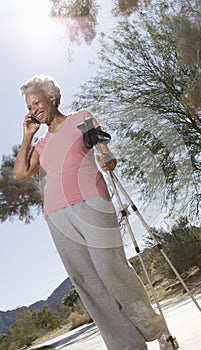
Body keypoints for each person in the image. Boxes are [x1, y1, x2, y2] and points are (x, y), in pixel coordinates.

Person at [13, 75, 173, 350]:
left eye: (37, 102)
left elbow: (104, 152)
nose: (34, 110)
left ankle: (155, 328)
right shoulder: (41, 143)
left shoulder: (81, 119)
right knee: (88, 282)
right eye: (29, 107)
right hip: (57, 216)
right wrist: (28, 136)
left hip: (93, 202)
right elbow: (20, 173)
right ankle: (127, 346)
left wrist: (107, 159)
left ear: (52, 98)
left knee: (110, 268)